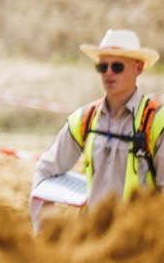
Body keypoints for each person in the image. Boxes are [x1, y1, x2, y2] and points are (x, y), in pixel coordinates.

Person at [28, 30, 164, 229]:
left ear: (138, 68)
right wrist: (46, 231)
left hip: (138, 241)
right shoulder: (84, 119)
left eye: (117, 66)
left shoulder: (157, 121)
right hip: (91, 239)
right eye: (102, 66)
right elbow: (45, 171)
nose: (109, 73)